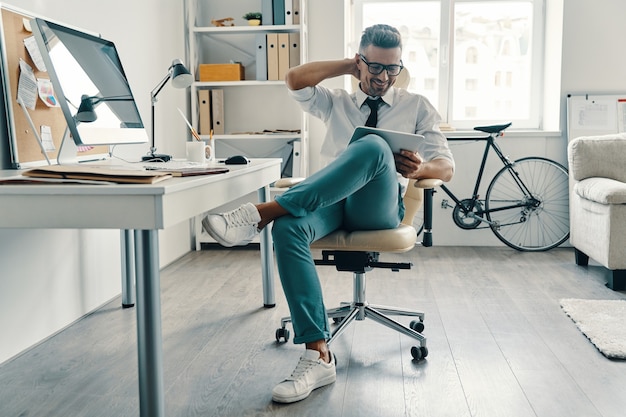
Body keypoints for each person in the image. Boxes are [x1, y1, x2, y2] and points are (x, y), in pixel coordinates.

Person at [203, 24, 455, 403]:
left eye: (392, 69)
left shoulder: (416, 105)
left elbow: (446, 168)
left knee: (372, 146)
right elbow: (293, 80)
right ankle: (318, 354)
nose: (383, 77)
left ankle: (261, 213)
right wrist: (347, 67)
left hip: (379, 208)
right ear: (360, 61)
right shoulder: (336, 100)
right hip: (329, 204)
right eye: (375, 67)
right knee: (288, 230)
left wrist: (418, 170)